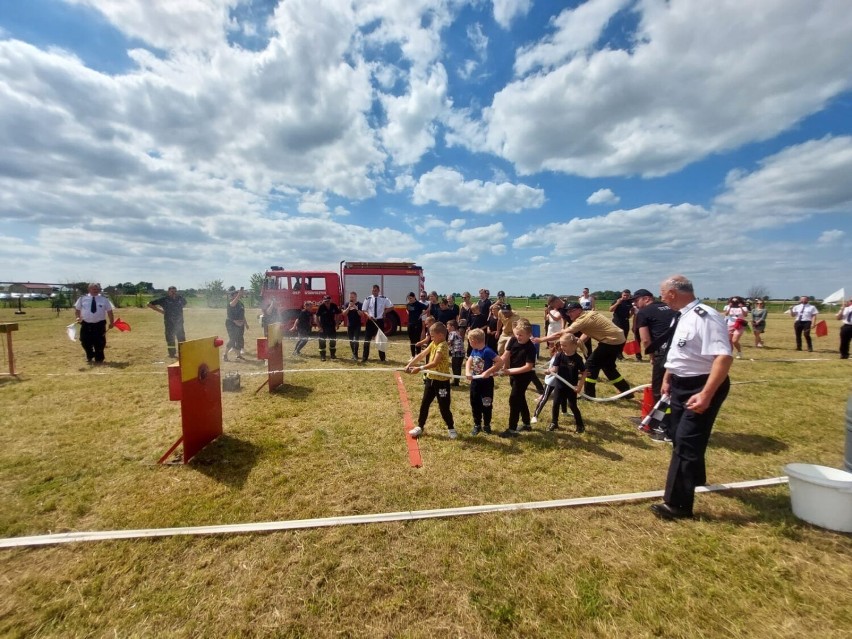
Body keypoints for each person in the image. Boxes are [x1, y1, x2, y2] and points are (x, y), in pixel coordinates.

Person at [650, 275, 732, 520]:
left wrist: (706, 393)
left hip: (701, 385)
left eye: (663, 294)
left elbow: (723, 357)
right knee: (678, 435)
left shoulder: (705, 317)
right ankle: (695, 477)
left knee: (686, 441)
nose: (662, 299)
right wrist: (668, 378)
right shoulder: (684, 315)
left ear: (672, 293)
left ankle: (677, 505)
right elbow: (678, 353)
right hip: (680, 383)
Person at [535, 302, 633, 399]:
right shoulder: (590, 314)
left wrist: (540, 340)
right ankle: (626, 392)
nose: (569, 314)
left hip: (611, 341)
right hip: (619, 339)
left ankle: (589, 394)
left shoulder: (582, 320)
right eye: (567, 312)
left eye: (571, 311)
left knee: (590, 365)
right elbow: (589, 332)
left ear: (579, 310)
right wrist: (578, 343)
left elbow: (560, 334)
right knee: (608, 367)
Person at [633, 288, 677, 440]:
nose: (636, 305)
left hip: (663, 355)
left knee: (660, 392)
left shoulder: (644, 313)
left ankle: (666, 429)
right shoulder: (672, 308)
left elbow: (645, 339)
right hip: (681, 353)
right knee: (676, 389)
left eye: (636, 301)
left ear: (646, 299)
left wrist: (652, 355)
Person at [405, 321, 456, 439]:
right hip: (430, 379)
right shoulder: (434, 343)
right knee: (425, 404)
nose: (431, 338)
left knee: (444, 407)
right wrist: (410, 364)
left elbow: (435, 362)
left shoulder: (443, 345)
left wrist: (420, 368)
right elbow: (422, 354)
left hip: (442, 381)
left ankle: (451, 427)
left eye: (433, 335)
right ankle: (420, 426)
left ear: (441, 335)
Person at [498, 320, 538, 437]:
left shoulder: (531, 348)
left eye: (521, 335)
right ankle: (526, 424)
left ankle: (512, 429)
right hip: (514, 374)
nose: (518, 337)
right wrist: (498, 366)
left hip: (524, 376)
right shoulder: (513, 339)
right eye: (517, 334)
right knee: (520, 398)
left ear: (529, 334)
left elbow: (528, 367)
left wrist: (509, 370)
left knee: (514, 400)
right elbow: (506, 355)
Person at [540, 334, 585, 433]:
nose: (562, 347)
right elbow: (555, 368)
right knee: (555, 404)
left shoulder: (577, 359)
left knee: (572, 405)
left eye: (564, 345)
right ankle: (554, 423)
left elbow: (584, 373)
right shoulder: (560, 355)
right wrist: (549, 370)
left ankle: (580, 425)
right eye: (561, 345)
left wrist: (579, 386)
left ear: (573, 346)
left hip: (571, 387)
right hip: (560, 385)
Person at [465, 328, 502, 435]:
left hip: (486, 383)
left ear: (474, 341)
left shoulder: (487, 351)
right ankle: (477, 424)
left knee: (486, 403)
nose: (469, 343)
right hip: (476, 382)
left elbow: (500, 362)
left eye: (469, 341)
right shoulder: (474, 350)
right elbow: (469, 361)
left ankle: (486, 425)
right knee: (474, 402)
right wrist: (468, 372)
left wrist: (489, 371)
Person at [74, 283, 114, 364]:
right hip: (86, 323)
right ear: (89, 290)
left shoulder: (104, 299)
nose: (95, 291)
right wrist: (78, 317)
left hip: (99, 324)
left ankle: (99, 358)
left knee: (99, 342)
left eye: (97, 289)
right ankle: (90, 355)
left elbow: (110, 311)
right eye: (93, 289)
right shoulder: (82, 299)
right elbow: (77, 309)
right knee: (84, 341)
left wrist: (111, 322)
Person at [147, 286, 186, 358]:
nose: (174, 293)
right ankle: (172, 354)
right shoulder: (164, 299)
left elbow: (184, 304)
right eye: (172, 292)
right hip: (169, 323)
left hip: (179, 323)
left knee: (181, 338)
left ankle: (183, 353)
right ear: (168, 292)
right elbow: (149, 304)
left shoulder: (180, 299)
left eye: (175, 291)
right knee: (170, 338)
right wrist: (161, 311)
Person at [362, 284, 393, 362]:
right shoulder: (368, 299)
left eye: (375, 290)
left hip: (379, 321)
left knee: (380, 340)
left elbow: (391, 307)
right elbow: (364, 310)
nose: (374, 291)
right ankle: (364, 358)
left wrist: (385, 312)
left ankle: (382, 358)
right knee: (366, 340)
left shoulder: (384, 299)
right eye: (373, 290)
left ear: (379, 291)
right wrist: (368, 315)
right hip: (370, 321)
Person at [224, 288, 249, 361]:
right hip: (231, 323)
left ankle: (238, 355)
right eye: (236, 294)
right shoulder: (231, 302)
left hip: (240, 324)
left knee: (239, 339)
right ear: (232, 296)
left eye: (238, 294)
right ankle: (225, 355)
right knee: (232, 340)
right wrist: (239, 294)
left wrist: (245, 323)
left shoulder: (240, 303)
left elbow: (242, 314)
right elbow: (232, 304)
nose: (238, 295)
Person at [608, 289, 633, 360]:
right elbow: (610, 310)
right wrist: (617, 303)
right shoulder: (617, 301)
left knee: (624, 338)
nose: (625, 297)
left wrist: (631, 314)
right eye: (624, 295)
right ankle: (614, 354)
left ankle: (620, 354)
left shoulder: (629, 302)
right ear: (622, 295)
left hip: (625, 322)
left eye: (627, 295)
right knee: (616, 338)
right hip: (617, 322)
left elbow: (631, 312)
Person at [315, 295, 340, 361]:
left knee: (333, 341)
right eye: (325, 301)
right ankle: (323, 356)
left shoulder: (334, 306)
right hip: (323, 327)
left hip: (332, 327)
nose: (327, 302)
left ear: (330, 300)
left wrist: (337, 324)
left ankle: (332, 355)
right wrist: (319, 327)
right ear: (323, 301)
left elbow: (337, 314)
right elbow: (316, 317)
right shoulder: (321, 307)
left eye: (328, 301)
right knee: (322, 342)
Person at [405, 291, 428, 357]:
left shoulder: (419, 304)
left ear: (414, 297)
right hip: (410, 324)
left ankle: (418, 355)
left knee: (417, 339)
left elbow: (427, 308)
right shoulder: (408, 304)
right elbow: (407, 309)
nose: (410, 300)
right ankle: (413, 356)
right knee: (411, 340)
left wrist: (422, 314)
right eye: (409, 298)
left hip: (417, 324)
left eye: (411, 298)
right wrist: (408, 312)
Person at [343, 291, 364, 360]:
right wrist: (348, 307)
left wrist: (356, 308)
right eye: (350, 297)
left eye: (353, 297)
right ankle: (353, 354)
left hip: (357, 325)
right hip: (350, 325)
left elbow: (362, 314)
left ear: (356, 297)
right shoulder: (347, 304)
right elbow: (344, 314)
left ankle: (356, 355)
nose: (351, 298)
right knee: (351, 340)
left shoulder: (360, 304)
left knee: (356, 340)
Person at [446, 319, 465, 386]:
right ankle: (457, 380)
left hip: (457, 352)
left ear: (452, 327)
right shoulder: (457, 332)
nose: (447, 328)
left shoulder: (452, 333)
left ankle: (456, 382)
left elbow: (449, 342)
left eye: (448, 326)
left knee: (455, 367)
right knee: (458, 367)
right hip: (461, 353)